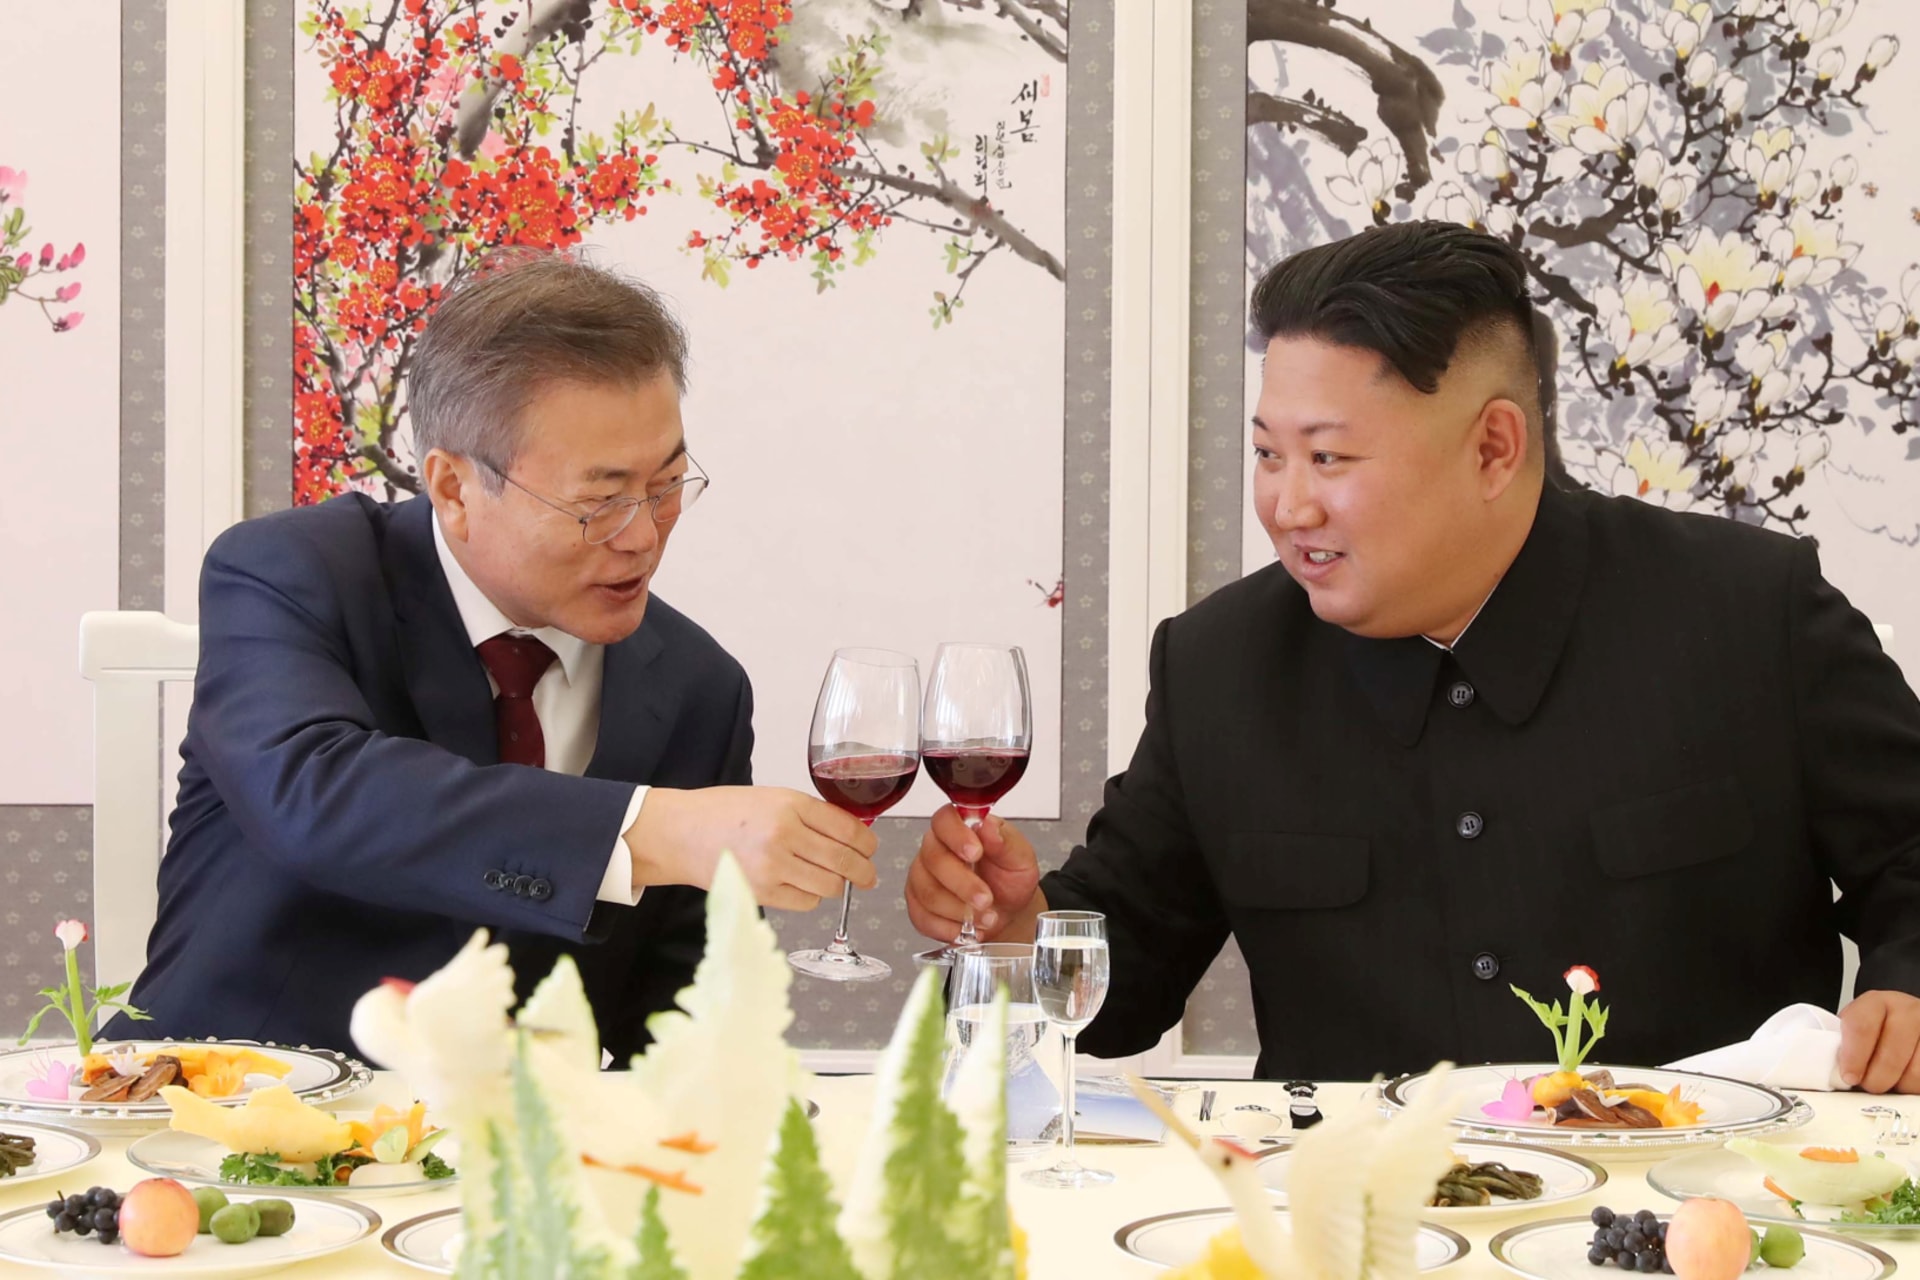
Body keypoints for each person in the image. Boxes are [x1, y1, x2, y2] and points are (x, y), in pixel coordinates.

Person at [905, 220, 1920, 1090]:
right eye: (1269, 452)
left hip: (1704, 1216)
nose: (1288, 504)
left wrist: (1909, 986)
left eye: (1331, 457)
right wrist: (1014, 924)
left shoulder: (1751, 611)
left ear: (1493, 448)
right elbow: (1120, 973)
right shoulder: (1219, 666)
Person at [112, 250, 877, 1058]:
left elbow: (683, 1010)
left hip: (513, 1158)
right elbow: (310, 789)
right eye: (599, 501)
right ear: (452, 488)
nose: (644, 535)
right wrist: (650, 829)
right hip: (219, 1113)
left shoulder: (698, 684)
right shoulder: (292, 572)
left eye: (666, 485)